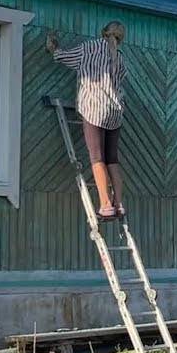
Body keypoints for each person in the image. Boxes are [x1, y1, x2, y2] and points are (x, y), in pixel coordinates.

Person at [47, 21, 127, 219]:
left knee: (97, 157)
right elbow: (121, 79)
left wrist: (54, 49)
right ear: (120, 38)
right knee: (112, 159)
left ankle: (106, 205)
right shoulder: (120, 57)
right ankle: (119, 204)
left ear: (103, 32)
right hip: (115, 112)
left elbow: (65, 58)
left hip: (94, 109)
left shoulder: (90, 48)